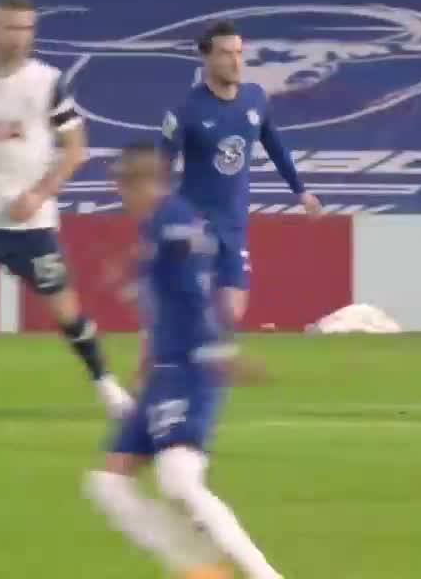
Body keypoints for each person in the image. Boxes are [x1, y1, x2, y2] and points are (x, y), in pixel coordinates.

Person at [84, 143, 284, 579]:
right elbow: (167, 301)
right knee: (108, 483)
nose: (121, 195)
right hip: (166, 370)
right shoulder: (159, 228)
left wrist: (219, 354)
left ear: (145, 182)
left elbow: (196, 298)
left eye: (124, 185)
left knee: (178, 479)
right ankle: (198, 566)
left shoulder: (174, 226)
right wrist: (148, 355)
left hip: (192, 368)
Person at [0, 0, 132, 416]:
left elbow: (75, 148)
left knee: (65, 310)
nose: (20, 37)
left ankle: (108, 386)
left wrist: (40, 193)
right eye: (11, 28)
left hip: (29, 224)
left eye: (27, 29)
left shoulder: (46, 82)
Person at [161, 20, 321, 326]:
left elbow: (275, 145)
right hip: (195, 222)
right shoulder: (186, 110)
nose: (235, 62)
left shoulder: (255, 98)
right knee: (192, 306)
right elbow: (161, 166)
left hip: (234, 223)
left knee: (232, 313)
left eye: (239, 53)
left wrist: (300, 190)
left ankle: (201, 350)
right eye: (225, 53)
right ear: (206, 57)